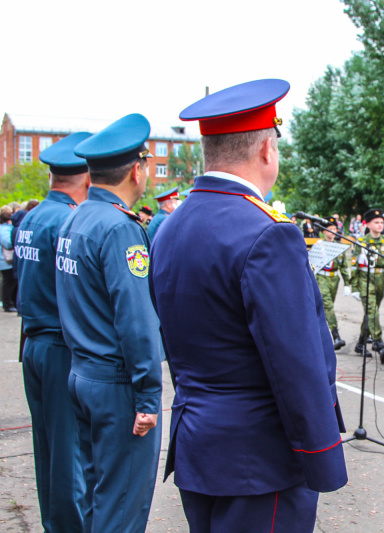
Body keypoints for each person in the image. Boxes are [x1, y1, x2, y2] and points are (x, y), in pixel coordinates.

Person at [151, 79, 347, 532]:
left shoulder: (171, 226)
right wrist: (322, 458)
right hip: (259, 460)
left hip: (199, 444)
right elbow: (297, 362)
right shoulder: (269, 232)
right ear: (265, 150)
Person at [56, 114, 163, 532]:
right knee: (121, 506)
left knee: (97, 496)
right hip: (116, 385)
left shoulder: (76, 217)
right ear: (137, 170)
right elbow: (137, 323)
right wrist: (148, 396)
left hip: (82, 374)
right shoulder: (120, 229)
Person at [17, 132, 92, 532]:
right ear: (86, 179)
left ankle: (53, 524)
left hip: (33, 344)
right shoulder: (67, 219)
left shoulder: (31, 216)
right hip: (61, 346)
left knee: (46, 450)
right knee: (69, 456)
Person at [351, 209, 384, 358]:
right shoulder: (361, 242)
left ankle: (361, 344)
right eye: (376, 222)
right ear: (368, 224)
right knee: (372, 310)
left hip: (380, 280)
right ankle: (379, 343)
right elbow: (355, 265)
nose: (380, 225)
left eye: (381, 222)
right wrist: (353, 286)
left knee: (370, 313)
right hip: (365, 279)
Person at [316, 216, 351, 349]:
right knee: (328, 306)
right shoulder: (319, 245)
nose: (332, 232)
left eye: (334, 229)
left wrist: (347, 283)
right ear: (323, 231)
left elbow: (343, 267)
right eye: (329, 229)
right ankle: (336, 335)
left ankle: (320, 335)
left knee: (325, 309)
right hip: (321, 278)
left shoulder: (339, 247)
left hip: (334, 280)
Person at [0, 207, 16, 312]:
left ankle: (9, 303)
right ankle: (7, 303)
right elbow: (8, 243)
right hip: (5, 261)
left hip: (5, 260)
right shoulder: (4, 229)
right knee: (8, 282)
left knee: (9, 282)